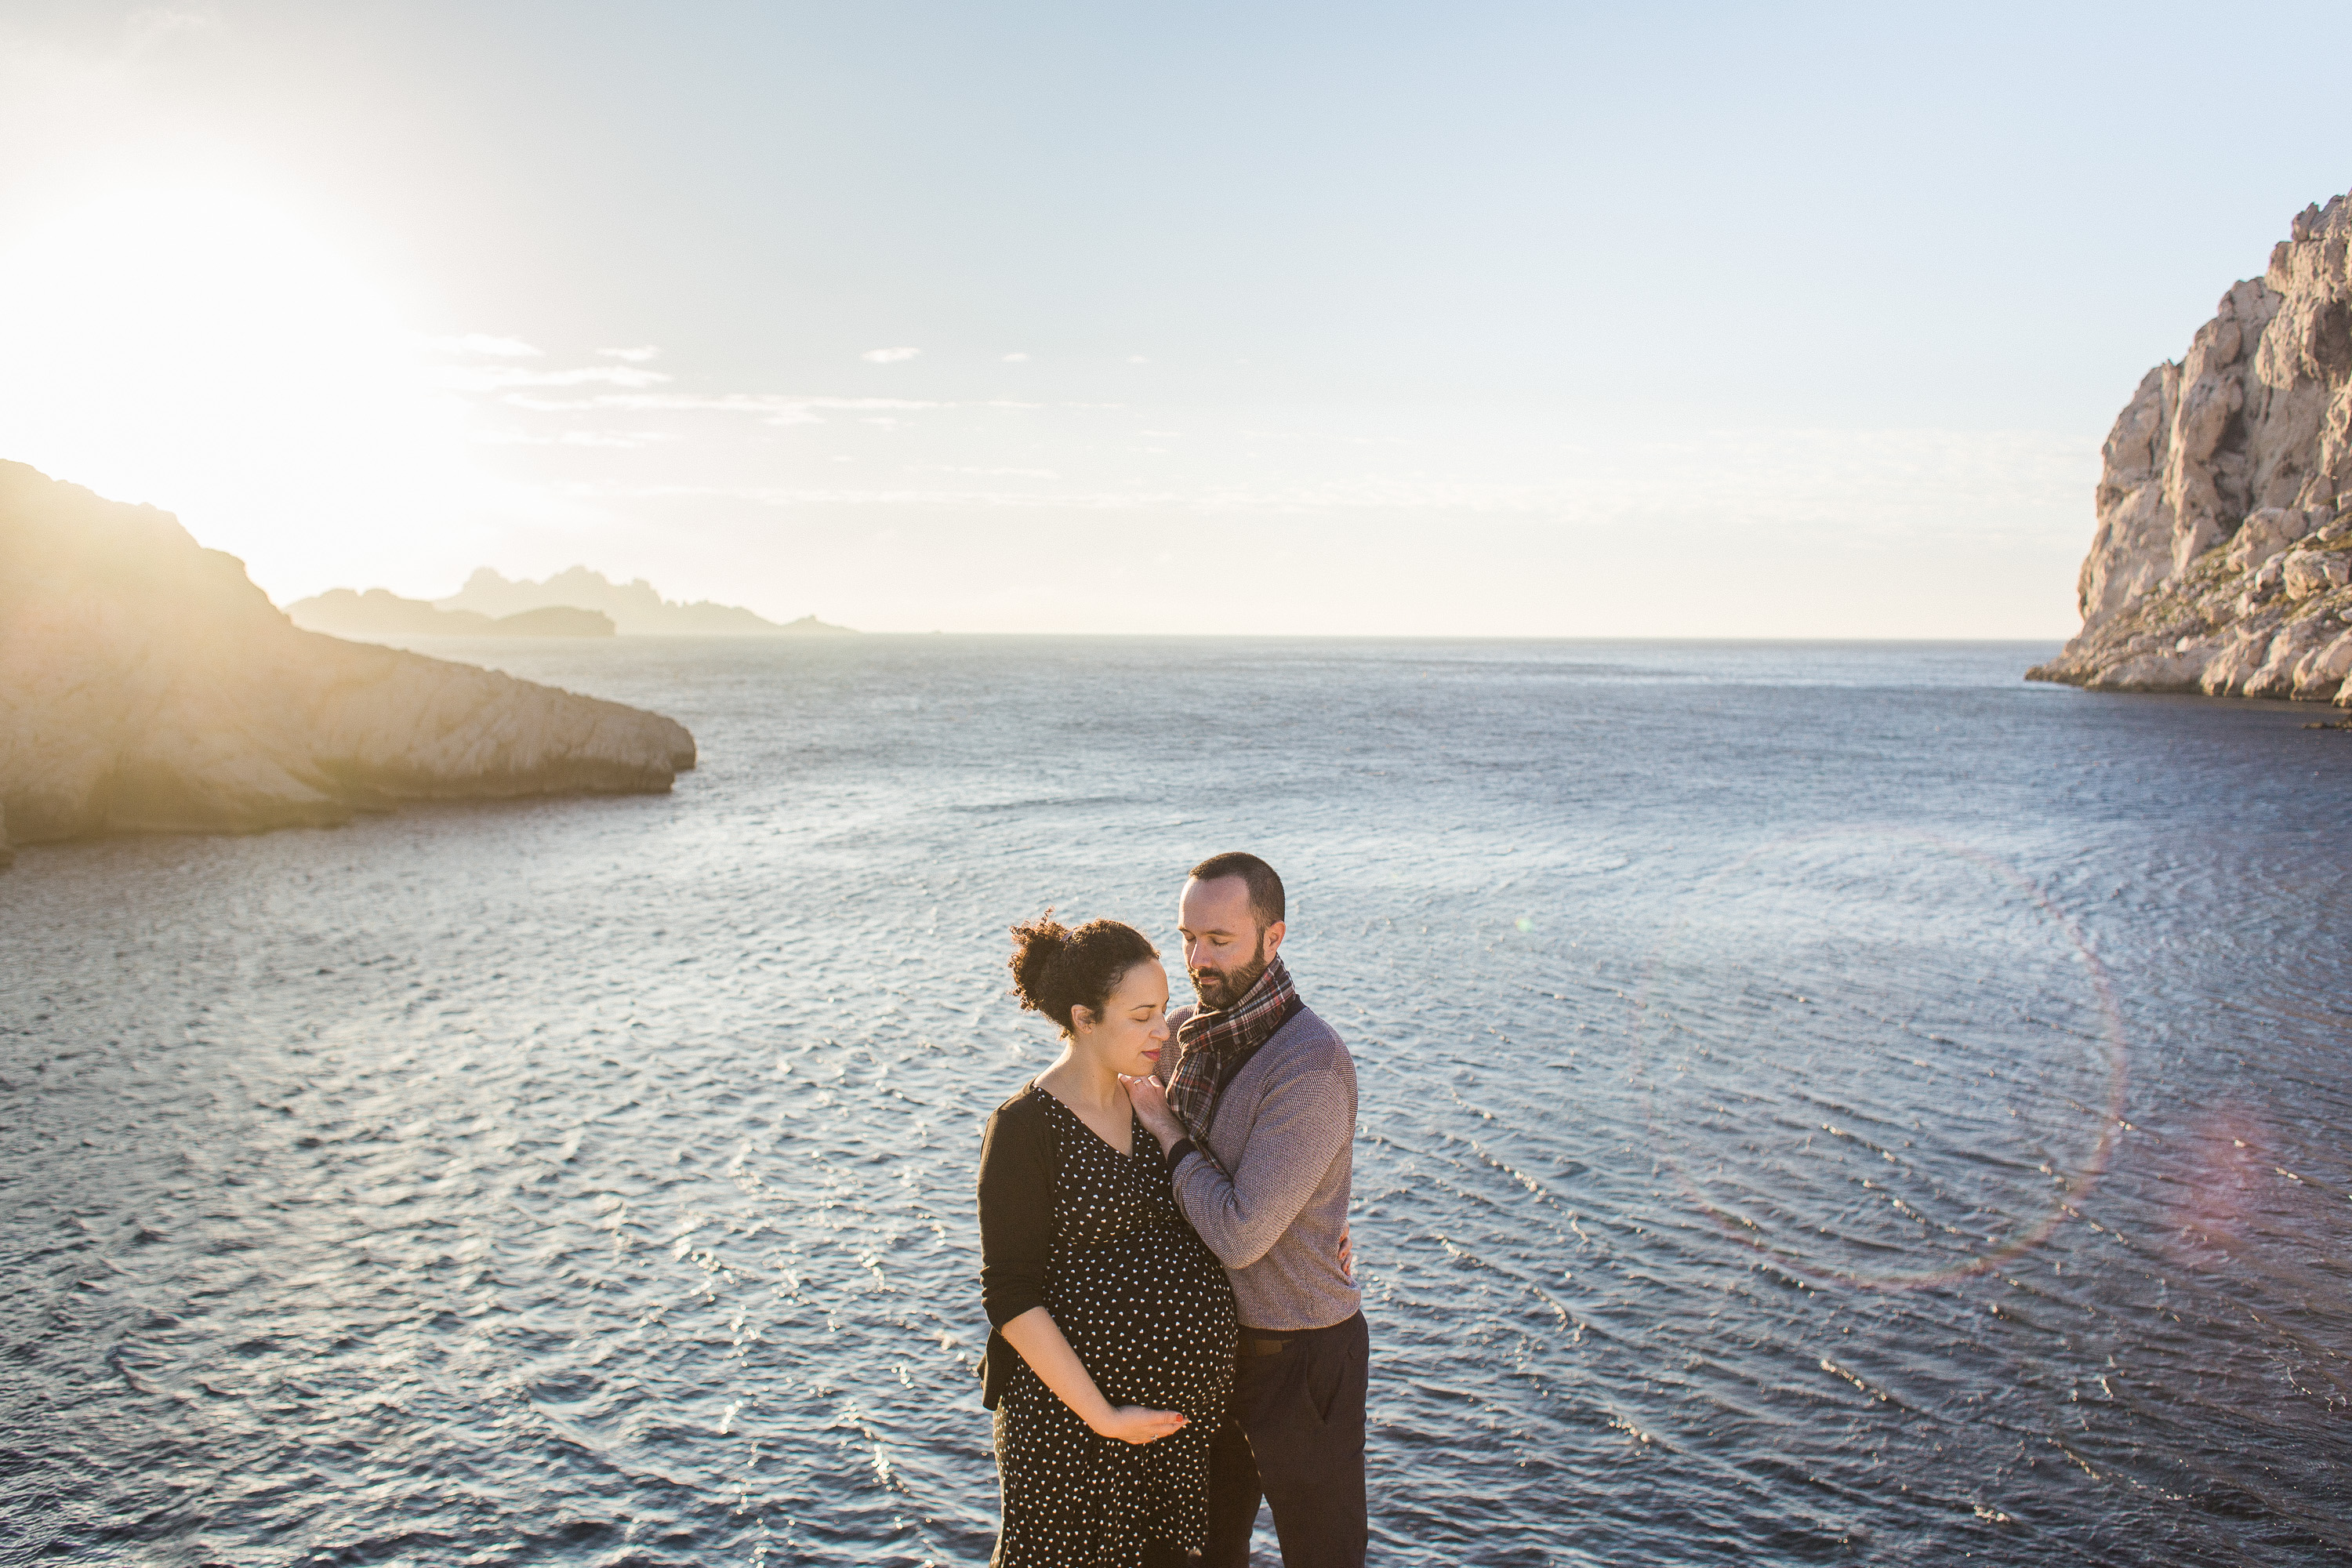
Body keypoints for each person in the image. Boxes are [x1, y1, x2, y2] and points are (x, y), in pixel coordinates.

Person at [1124, 852, 1367, 1568]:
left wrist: (1165, 1129)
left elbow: (1239, 1233)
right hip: (1202, 1347)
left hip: (1302, 1356)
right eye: (1187, 937)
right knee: (1190, 1558)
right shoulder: (1179, 1039)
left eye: (1219, 940)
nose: (1197, 958)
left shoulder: (1311, 1064)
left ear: (1274, 936)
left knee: (1322, 1558)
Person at [976, 913, 1238, 1567]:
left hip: (1174, 1436)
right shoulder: (1022, 1128)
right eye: (1143, 1014)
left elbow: (1241, 1194)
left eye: (1166, 1010)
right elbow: (1010, 1298)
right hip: (1075, 1434)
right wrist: (1104, 1416)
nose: (1162, 1030)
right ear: (1084, 1018)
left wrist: (1325, 1232)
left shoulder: (1157, 1104)